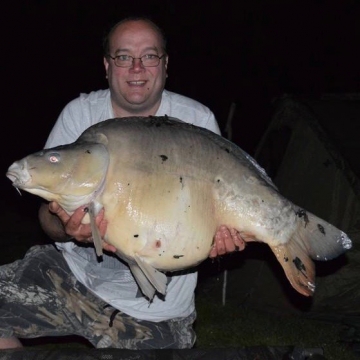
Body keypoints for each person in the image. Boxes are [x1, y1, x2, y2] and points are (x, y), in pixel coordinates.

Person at [0, 16, 245, 350]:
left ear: (165, 64)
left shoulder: (196, 121)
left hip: (156, 308)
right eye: (124, 56)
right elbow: (48, 218)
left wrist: (218, 244)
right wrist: (65, 226)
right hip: (72, 277)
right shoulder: (81, 114)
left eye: (149, 56)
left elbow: (207, 221)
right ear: (107, 65)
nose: (136, 68)